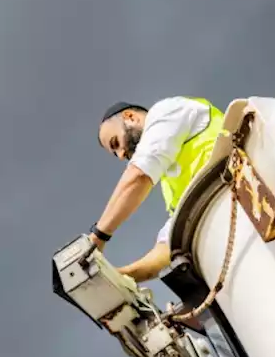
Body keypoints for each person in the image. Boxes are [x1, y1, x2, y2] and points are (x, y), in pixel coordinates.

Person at [89, 96, 225, 282]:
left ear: (130, 117)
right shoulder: (171, 184)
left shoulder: (167, 111)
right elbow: (168, 247)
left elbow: (137, 176)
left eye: (116, 143)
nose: (121, 155)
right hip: (221, 224)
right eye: (115, 153)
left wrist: (97, 237)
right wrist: (118, 278)